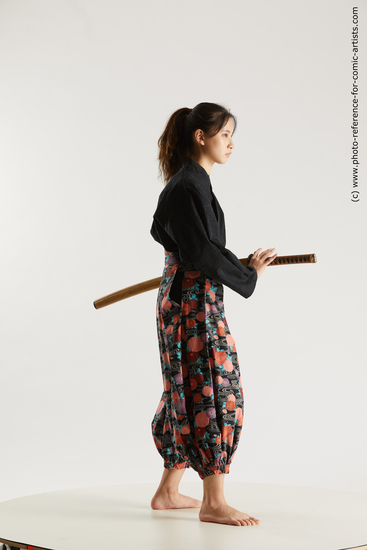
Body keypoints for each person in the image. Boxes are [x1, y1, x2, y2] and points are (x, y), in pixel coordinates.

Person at [149, 102, 277, 526]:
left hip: (187, 296)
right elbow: (201, 252)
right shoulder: (187, 186)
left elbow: (189, 245)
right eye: (225, 135)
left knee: (188, 386)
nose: (231, 143)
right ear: (200, 137)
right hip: (191, 302)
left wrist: (238, 268)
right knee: (213, 387)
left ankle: (169, 492)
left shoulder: (191, 183)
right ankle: (214, 502)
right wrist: (248, 276)